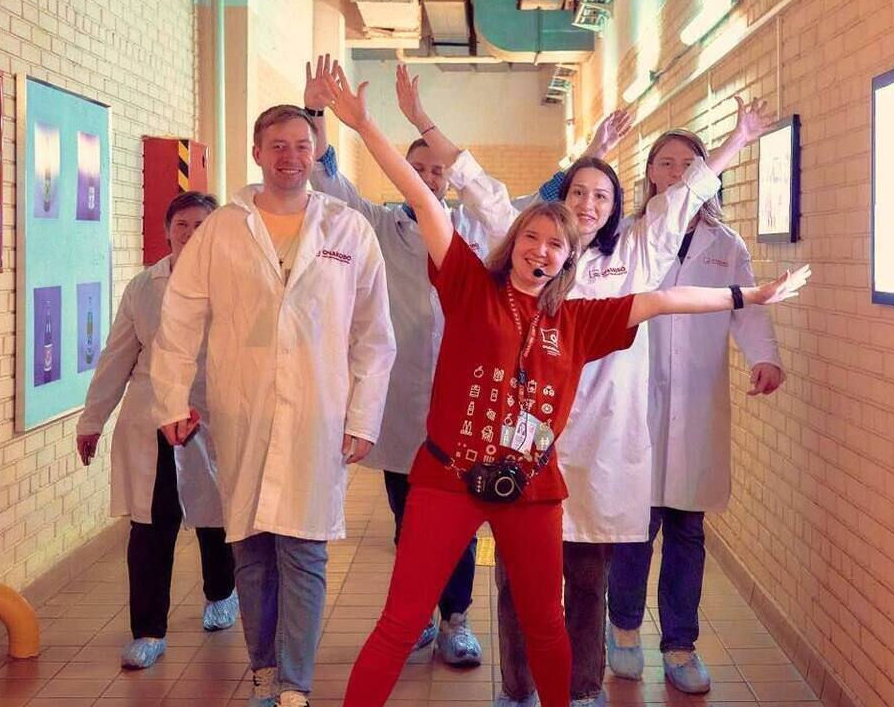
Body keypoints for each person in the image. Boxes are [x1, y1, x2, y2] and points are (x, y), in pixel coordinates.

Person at [319, 63, 808, 707]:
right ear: (513, 239)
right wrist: (367, 126)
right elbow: (427, 197)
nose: (543, 249)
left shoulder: (578, 318)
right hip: (448, 477)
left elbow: (664, 300)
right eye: (533, 236)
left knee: (550, 619)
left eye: (556, 245)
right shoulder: (470, 285)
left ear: (570, 257)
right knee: (400, 621)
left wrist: (749, 295)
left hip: (532, 482)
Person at [427, 95, 773, 707]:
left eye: (602, 197)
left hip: (603, 445)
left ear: (616, 208)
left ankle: (584, 689)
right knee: (518, 580)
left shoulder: (635, 255)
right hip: (528, 445)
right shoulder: (537, 249)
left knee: (587, 581)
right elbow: (481, 191)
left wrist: (737, 141)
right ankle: (517, 690)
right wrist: (424, 123)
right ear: (562, 199)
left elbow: (681, 201)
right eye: (579, 193)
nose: (589, 206)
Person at [303, 59, 622, 668]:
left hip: (479, 408)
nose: (428, 178)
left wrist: (593, 155)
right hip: (406, 402)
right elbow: (328, 182)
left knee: (471, 518)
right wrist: (317, 112)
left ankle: (455, 618)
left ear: (448, 179)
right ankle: (418, 616)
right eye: (418, 169)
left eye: (437, 171)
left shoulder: (479, 230)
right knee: (413, 516)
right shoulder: (379, 223)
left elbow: (543, 204)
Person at [149, 104, 396, 707]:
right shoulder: (222, 230)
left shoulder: (347, 229)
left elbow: (374, 333)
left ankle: (295, 684)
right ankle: (263, 671)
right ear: (257, 153)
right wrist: (171, 399)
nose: (291, 157)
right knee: (252, 549)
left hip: (318, 413)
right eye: (278, 146)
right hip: (243, 410)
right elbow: (179, 319)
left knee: (305, 550)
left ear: (315, 153)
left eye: (302, 146)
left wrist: (364, 416)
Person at [606, 125, 786, 695]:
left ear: (707, 176)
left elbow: (747, 310)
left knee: (686, 529)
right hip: (635, 399)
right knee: (634, 527)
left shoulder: (726, 246)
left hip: (697, 401)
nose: (677, 172)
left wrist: (765, 358)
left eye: (689, 163)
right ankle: (624, 629)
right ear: (650, 173)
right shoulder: (628, 236)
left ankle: (680, 645)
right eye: (666, 162)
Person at [75, 191, 237, 670]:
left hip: (212, 413)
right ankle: (148, 631)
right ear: (167, 231)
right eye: (182, 224)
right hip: (151, 419)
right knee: (150, 525)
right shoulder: (144, 286)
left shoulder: (235, 282)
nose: (190, 233)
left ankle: (221, 592)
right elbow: (117, 356)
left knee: (216, 515)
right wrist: (92, 419)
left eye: (202, 225)